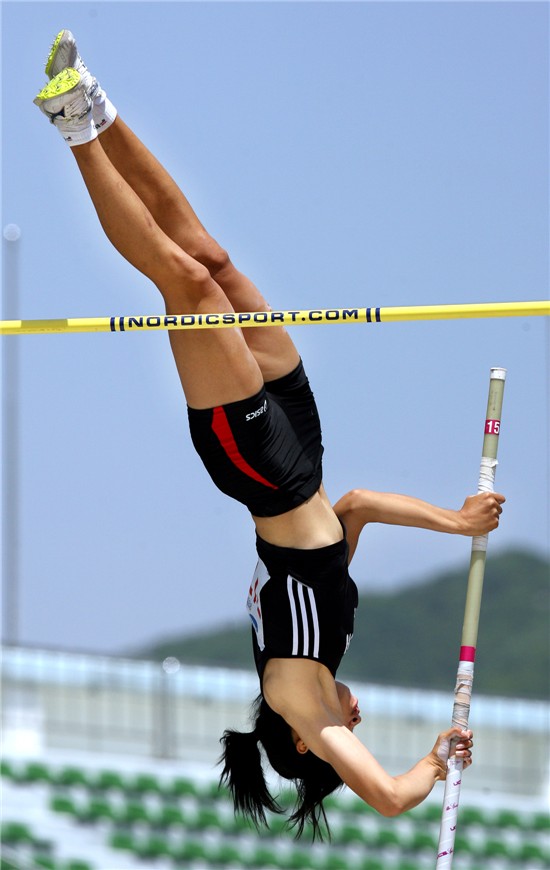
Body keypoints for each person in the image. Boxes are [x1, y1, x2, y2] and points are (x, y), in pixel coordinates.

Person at [33, 30, 505, 839]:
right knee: (211, 261)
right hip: (303, 449)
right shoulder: (328, 643)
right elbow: (354, 507)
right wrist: (453, 521)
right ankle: (100, 105)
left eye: (348, 733)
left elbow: (390, 797)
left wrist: (432, 761)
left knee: (184, 287)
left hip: (257, 464)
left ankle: (73, 127)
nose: (355, 718)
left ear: (302, 741)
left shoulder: (296, 697)